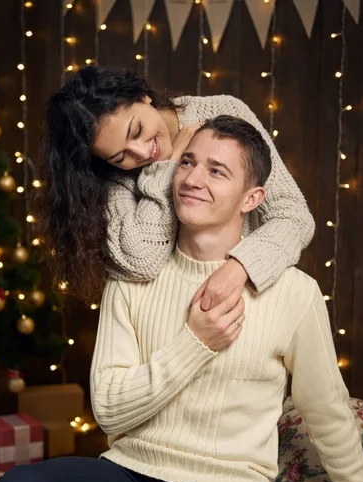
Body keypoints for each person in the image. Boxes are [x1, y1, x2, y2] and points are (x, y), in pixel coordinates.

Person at [0, 116, 363, 482]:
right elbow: (108, 409)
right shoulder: (132, 276)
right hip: (130, 479)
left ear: (252, 199)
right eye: (187, 161)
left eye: (217, 171)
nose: (192, 178)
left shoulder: (295, 293)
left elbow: (327, 408)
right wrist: (196, 343)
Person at [39, 65, 315, 308]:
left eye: (136, 131)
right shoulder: (115, 178)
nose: (141, 152)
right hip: (166, 320)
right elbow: (140, 260)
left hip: (251, 302)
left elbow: (293, 216)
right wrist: (167, 167)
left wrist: (239, 268)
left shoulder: (223, 112)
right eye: (120, 155)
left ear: (143, 96)